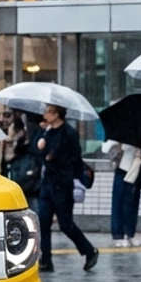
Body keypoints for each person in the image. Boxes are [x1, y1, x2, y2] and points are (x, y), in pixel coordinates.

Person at [34, 103, 98, 272]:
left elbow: (75, 158)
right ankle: (46, 259)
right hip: (47, 183)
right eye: (46, 111)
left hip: (62, 184)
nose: (45, 115)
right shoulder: (46, 131)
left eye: (49, 112)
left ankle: (89, 251)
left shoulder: (69, 133)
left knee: (65, 224)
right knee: (43, 221)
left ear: (58, 114)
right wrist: (42, 144)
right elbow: (38, 153)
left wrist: (53, 157)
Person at [106, 140, 141, 247]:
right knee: (118, 202)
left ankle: (129, 234)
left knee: (132, 203)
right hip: (122, 168)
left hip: (135, 168)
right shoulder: (123, 136)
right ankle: (118, 235)